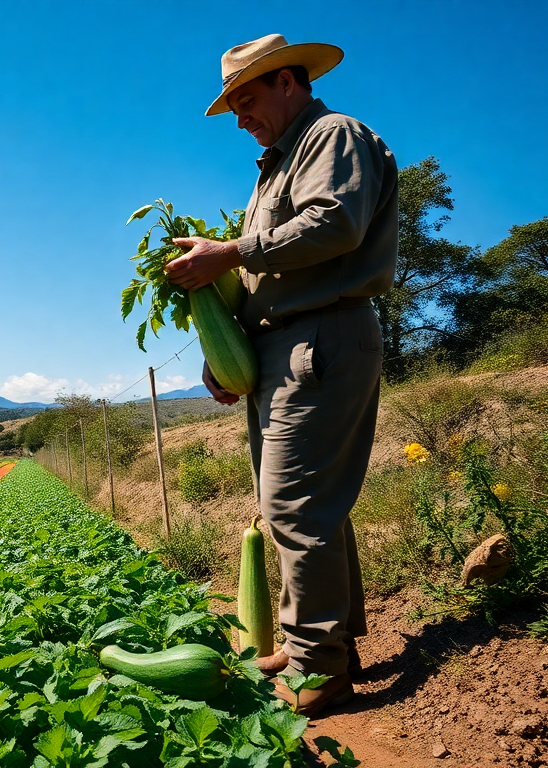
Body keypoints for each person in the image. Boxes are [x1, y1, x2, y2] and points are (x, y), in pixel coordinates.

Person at [162, 34, 398, 716]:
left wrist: (229, 250)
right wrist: (223, 350)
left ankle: (319, 670)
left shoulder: (332, 135)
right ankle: (319, 647)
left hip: (322, 338)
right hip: (283, 346)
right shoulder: (274, 166)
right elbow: (263, 278)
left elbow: (336, 226)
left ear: (288, 82)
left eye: (247, 99)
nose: (239, 117)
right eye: (233, 105)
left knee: (297, 506)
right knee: (304, 506)